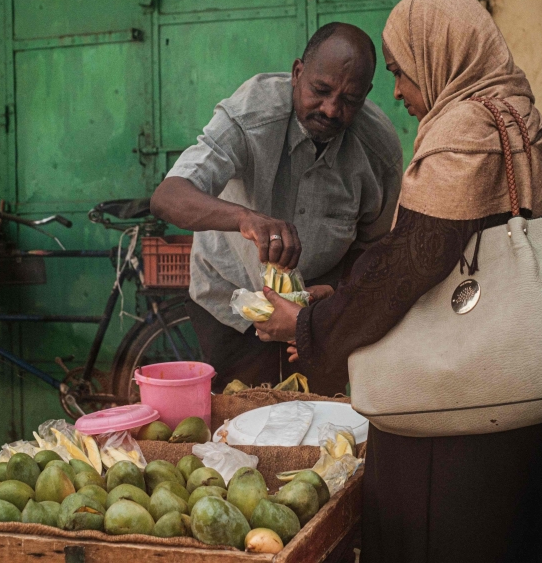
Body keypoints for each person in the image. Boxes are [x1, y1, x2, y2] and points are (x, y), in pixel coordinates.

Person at [255, 0, 542, 562]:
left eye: (404, 72)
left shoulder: (464, 131)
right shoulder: (521, 118)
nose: (400, 91)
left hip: (462, 408)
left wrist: (308, 327)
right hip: (526, 384)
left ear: (441, 56)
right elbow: (448, 248)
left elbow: (410, 266)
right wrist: (345, 292)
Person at [150, 23, 403, 396]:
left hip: (316, 319)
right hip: (231, 307)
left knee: (319, 425)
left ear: (366, 95)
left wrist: (333, 295)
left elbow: (374, 249)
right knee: (240, 424)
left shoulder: (379, 152)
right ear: (297, 72)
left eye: (350, 100)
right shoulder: (250, 115)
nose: (332, 109)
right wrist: (245, 218)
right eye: (321, 90)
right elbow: (169, 195)